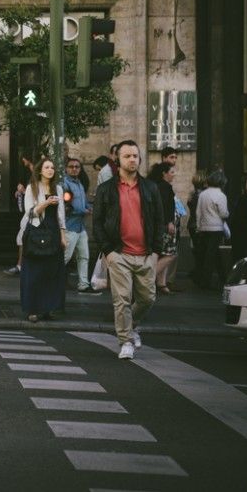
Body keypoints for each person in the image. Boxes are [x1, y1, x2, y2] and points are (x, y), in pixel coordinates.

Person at [92, 140, 164, 360]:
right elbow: (98, 223)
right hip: (119, 253)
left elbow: (159, 221)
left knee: (148, 298)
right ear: (118, 160)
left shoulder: (150, 187)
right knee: (121, 299)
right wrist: (108, 252)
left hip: (145, 254)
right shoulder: (106, 189)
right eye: (127, 156)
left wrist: (155, 253)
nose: (132, 159)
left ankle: (131, 326)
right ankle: (126, 341)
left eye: (135, 156)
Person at [19, 158, 67, 322]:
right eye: (47, 167)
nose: (50, 170)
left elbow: (61, 215)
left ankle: (48, 308)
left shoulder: (58, 188)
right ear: (40, 170)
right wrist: (46, 203)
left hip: (53, 231)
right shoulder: (32, 187)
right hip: (37, 231)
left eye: (52, 167)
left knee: (51, 272)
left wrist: (63, 235)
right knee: (34, 272)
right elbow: (30, 213)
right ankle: (33, 309)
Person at [63, 157, 97, 294]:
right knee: (65, 257)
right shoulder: (65, 184)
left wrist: (88, 207)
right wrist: (84, 210)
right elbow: (67, 206)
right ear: (66, 168)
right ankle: (49, 281)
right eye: (71, 166)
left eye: (77, 167)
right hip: (70, 226)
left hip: (80, 227)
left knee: (84, 256)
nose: (74, 169)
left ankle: (83, 284)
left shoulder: (79, 183)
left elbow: (83, 202)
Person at [195, 169, 230, 290]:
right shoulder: (221, 195)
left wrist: (199, 227)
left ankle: (222, 277)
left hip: (204, 227)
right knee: (211, 254)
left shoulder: (203, 194)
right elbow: (224, 213)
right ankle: (207, 281)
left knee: (211, 253)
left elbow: (198, 212)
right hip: (216, 228)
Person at [148, 162, 179, 295]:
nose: (174, 174)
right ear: (164, 174)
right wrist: (169, 222)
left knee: (163, 253)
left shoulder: (158, 186)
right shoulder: (164, 187)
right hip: (164, 225)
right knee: (170, 254)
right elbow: (163, 207)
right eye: (171, 172)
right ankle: (148, 278)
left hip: (159, 225)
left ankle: (161, 283)